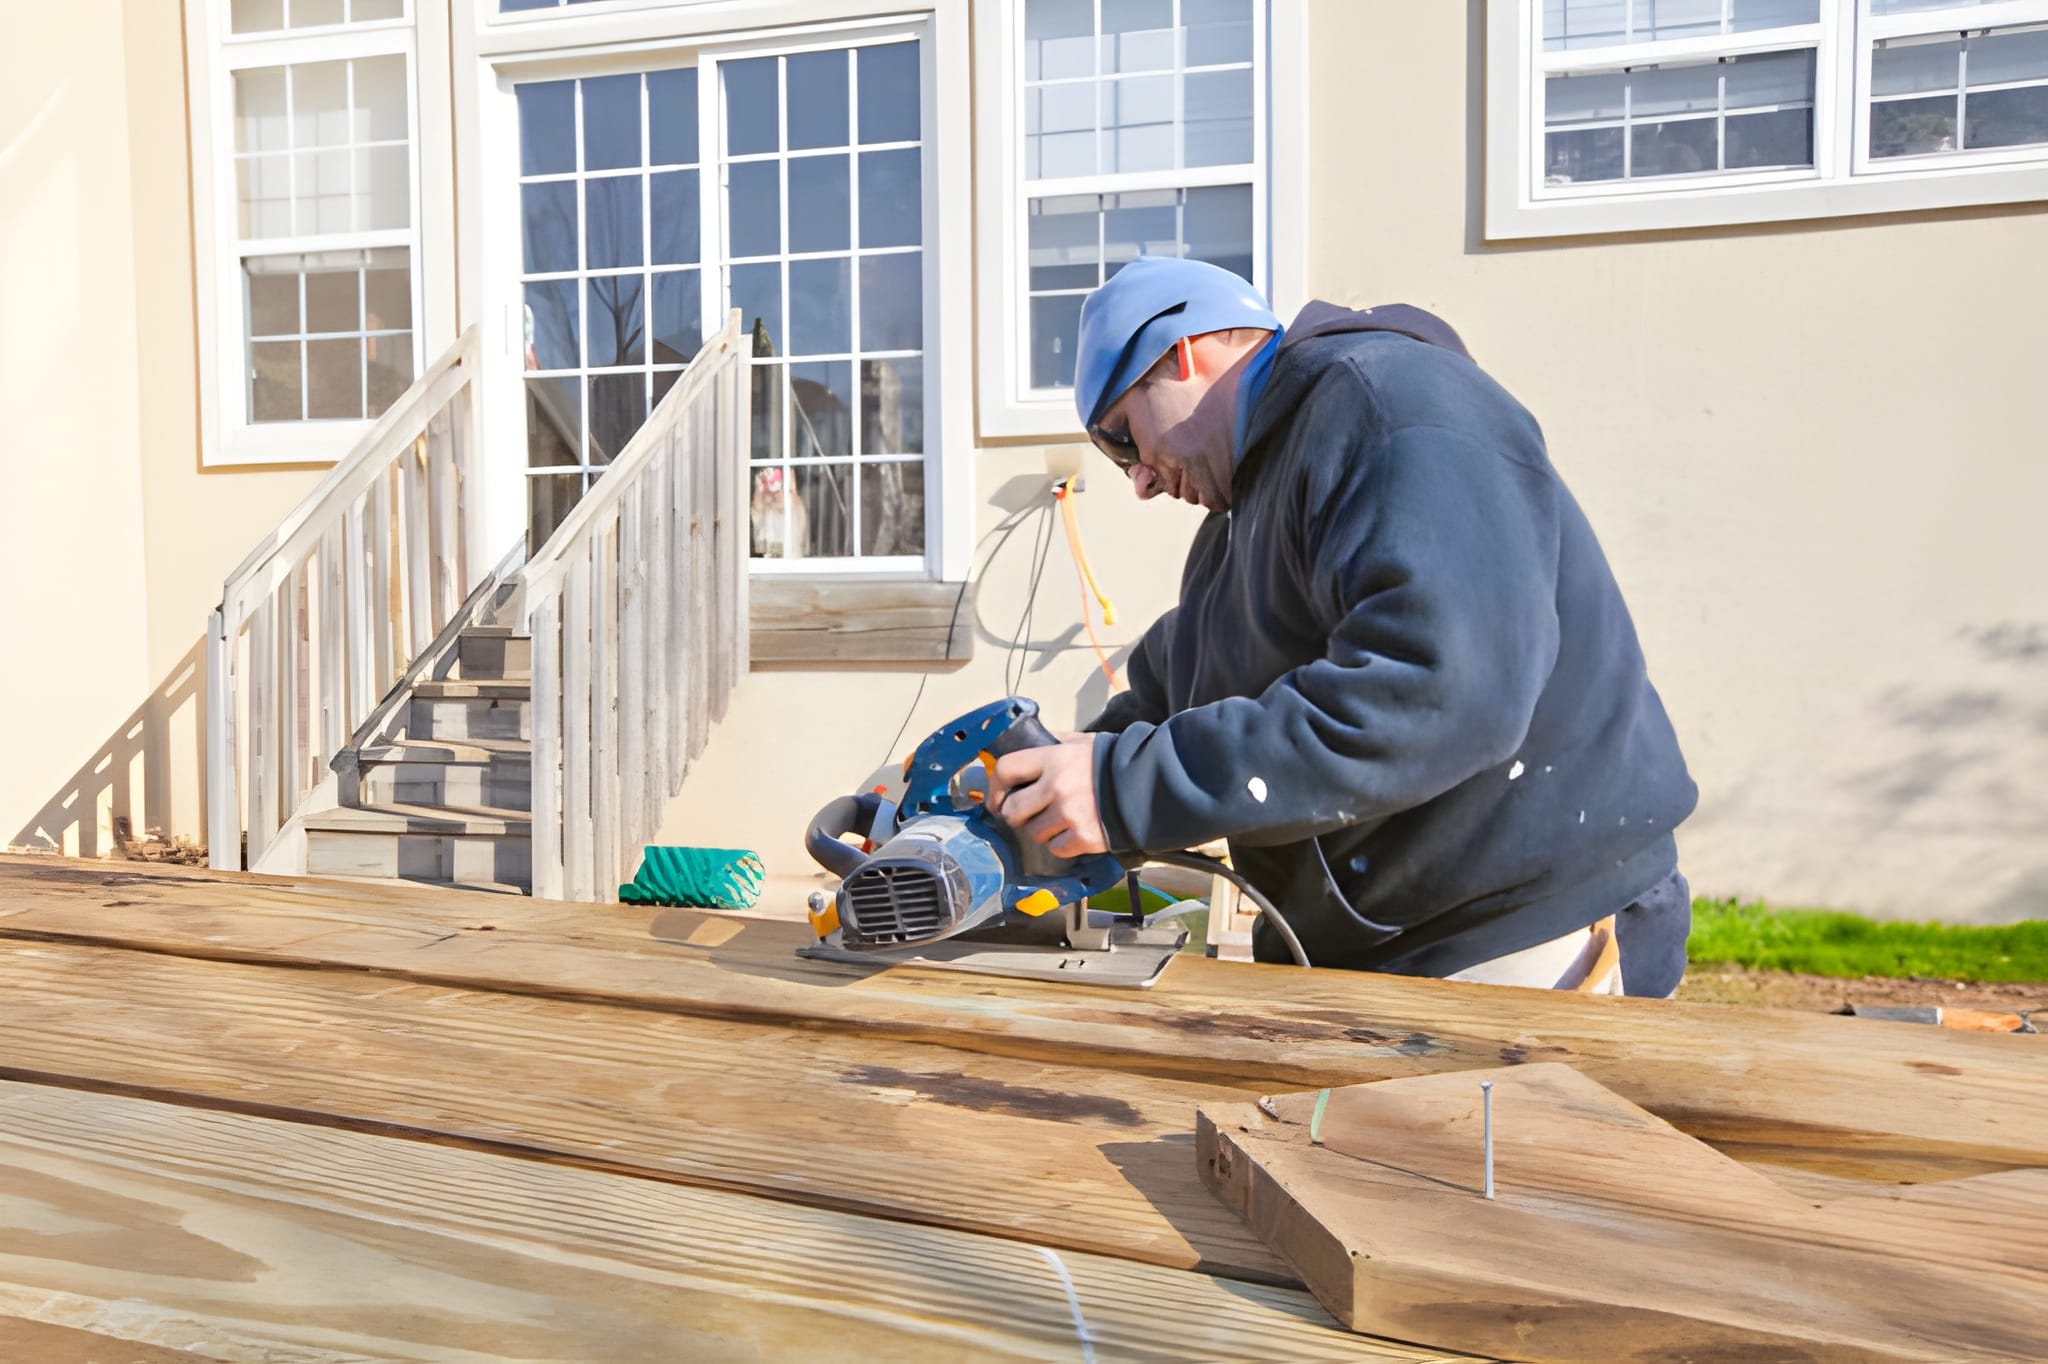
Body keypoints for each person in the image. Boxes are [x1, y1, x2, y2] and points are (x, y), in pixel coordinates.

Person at [984, 256, 1697, 996]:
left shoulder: (1393, 407)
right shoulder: (1239, 525)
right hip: (1387, 950)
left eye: (1122, 436)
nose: (1138, 480)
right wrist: (1041, 778)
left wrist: (1122, 792)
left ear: (1181, 353)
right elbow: (1176, 692)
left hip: (1515, 936)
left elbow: (1442, 691)